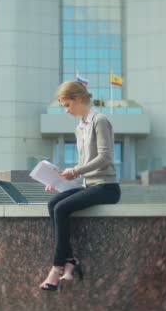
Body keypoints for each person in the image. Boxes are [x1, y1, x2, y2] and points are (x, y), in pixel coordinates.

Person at [39, 80, 121, 291]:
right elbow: (85, 164)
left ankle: (57, 267)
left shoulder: (99, 120)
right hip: (89, 185)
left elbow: (105, 157)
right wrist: (59, 179)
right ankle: (70, 260)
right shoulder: (80, 127)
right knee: (53, 204)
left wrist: (75, 171)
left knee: (61, 208)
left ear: (78, 98)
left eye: (67, 105)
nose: (67, 111)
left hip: (106, 187)